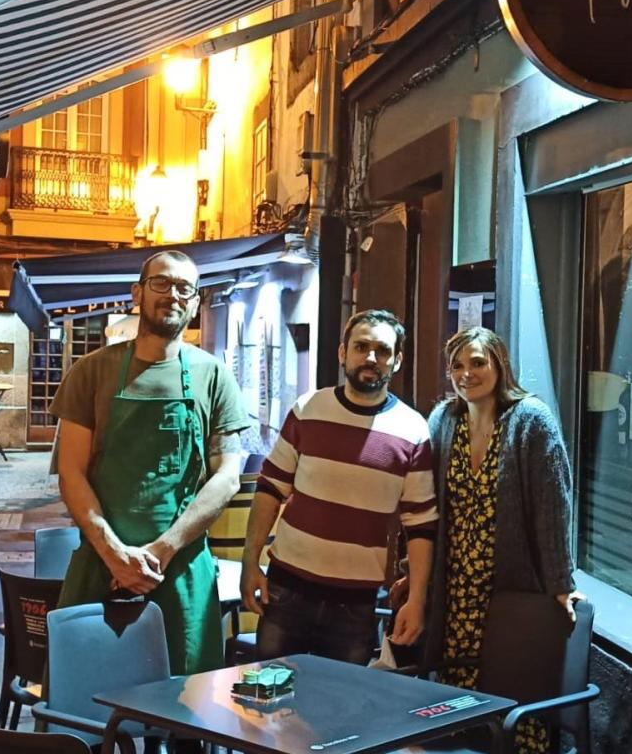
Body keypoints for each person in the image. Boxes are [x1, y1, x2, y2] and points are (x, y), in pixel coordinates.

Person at [52, 250, 249, 675]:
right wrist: (114, 554)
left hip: (181, 574)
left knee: (187, 714)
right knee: (86, 709)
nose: (172, 295)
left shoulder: (214, 377)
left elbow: (227, 477)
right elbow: (71, 473)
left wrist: (162, 549)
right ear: (137, 293)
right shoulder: (90, 372)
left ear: (195, 302)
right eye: (161, 283)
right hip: (100, 566)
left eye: (184, 288)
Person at [405, 326, 580, 754]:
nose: (467, 374)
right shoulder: (443, 421)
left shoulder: (530, 421)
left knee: (514, 698)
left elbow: (553, 506)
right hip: (457, 588)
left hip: (512, 588)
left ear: (500, 364)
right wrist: (413, 578)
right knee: (457, 702)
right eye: (457, 366)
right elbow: (421, 505)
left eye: (478, 362)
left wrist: (561, 583)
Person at [240, 309, 436, 665]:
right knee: (269, 708)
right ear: (343, 352)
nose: (371, 358)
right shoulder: (307, 409)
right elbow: (270, 490)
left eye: (383, 350)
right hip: (287, 590)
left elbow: (421, 524)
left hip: (355, 605)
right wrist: (250, 562)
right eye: (361, 347)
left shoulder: (413, 430)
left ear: (397, 361)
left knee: (341, 712)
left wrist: (417, 599)